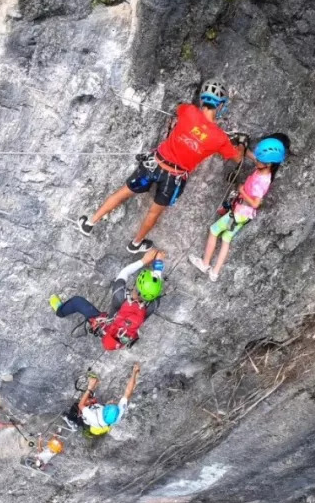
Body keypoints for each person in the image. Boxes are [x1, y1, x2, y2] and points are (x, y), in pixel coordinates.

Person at [77, 80, 248, 253]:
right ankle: (135, 244)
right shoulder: (219, 139)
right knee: (153, 213)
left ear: (203, 100)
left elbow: (178, 108)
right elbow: (237, 157)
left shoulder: (188, 111)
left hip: (154, 164)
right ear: (221, 105)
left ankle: (90, 223)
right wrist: (240, 143)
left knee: (124, 192)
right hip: (173, 178)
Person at [190, 135, 289, 282]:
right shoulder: (264, 168)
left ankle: (205, 264)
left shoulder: (263, 180)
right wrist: (242, 144)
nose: (257, 161)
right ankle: (214, 273)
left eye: (260, 160)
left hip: (241, 212)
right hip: (244, 214)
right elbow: (252, 157)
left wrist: (242, 191)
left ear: (268, 164)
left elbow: (256, 203)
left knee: (214, 230)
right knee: (226, 238)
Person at [49, 248, 166, 350]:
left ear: (136, 285)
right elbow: (155, 291)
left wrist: (144, 261)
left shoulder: (120, 296)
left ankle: (60, 311)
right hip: (121, 332)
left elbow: (124, 273)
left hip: (107, 325)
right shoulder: (153, 305)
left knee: (77, 302)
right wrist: (158, 266)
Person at [63, 364, 139, 436]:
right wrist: (134, 373)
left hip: (90, 422)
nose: (113, 402)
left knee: (76, 405)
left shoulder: (92, 417)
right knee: (91, 400)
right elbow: (128, 391)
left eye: (111, 404)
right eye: (113, 404)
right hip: (101, 417)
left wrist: (90, 388)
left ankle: (73, 422)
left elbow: (81, 405)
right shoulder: (118, 414)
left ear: (105, 410)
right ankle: (92, 392)